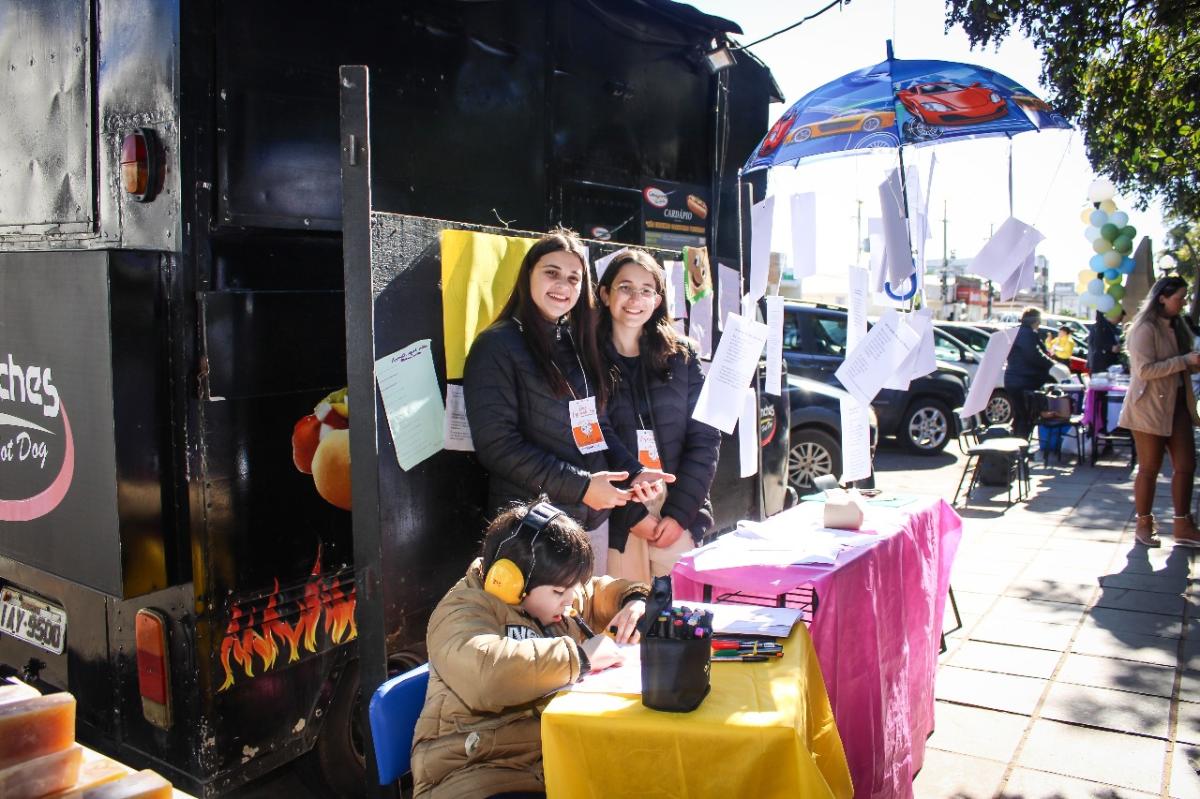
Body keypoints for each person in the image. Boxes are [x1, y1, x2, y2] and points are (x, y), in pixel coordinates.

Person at [463, 230, 670, 575]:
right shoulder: (495, 346)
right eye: (551, 272)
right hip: (533, 530)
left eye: (574, 278)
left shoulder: (576, 342)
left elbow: (595, 425)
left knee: (590, 608)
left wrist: (634, 472)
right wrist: (583, 487)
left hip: (591, 523)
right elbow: (498, 446)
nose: (563, 285)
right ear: (528, 275)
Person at [411, 500, 648, 798]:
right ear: (510, 582)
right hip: (475, 772)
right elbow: (488, 675)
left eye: (573, 588)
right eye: (559, 592)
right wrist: (580, 658)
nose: (570, 600)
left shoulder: (553, 596)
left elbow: (597, 591)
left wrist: (634, 601)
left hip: (547, 763)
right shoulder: (460, 613)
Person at [596, 249, 722, 582]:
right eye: (625, 287)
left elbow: (705, 438)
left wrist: (679, 514)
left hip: (676, 510)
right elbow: (591, 440)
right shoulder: (585, 357)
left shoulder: (683, 356)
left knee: (678, 609)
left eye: (646, 290)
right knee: (623, 609)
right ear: (605, 294)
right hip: (619, 513)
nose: (635, 299)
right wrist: (632, 515)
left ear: (657, 299)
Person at [1117, 276, 1200, 547]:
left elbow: (1180, 364)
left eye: (1185, 297)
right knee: (1149, 468)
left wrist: (1192, 363)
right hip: (1148, 408)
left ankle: (1183, 525)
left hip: (1178, 405)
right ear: (1162, 298)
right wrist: (1184, 361)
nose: (1183, 302)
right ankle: (1144, 524)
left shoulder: (1179, 325)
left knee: (1186, 465)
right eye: (1179, 297)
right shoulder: (1144, 328)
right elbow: (1144, 371)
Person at [1004, 307, 1057, 440]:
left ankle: (1015, 443)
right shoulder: (1027, 334)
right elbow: (1034, 355)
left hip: (1013, 379)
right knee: (1026, 416)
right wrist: (1051, 364)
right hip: (1023, 381)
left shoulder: (1017, 332)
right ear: (1035, 320)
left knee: (1020, 415)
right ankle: (1020, 445)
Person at [1087, 308, 1125, 374]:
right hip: (1101, 365)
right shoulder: (1100, 326)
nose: (1120, 321)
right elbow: (1097, 343)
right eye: (1119, 319)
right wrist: (1110, 347)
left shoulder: (1114, 328)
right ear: (1114, 315)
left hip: (1111, 363)